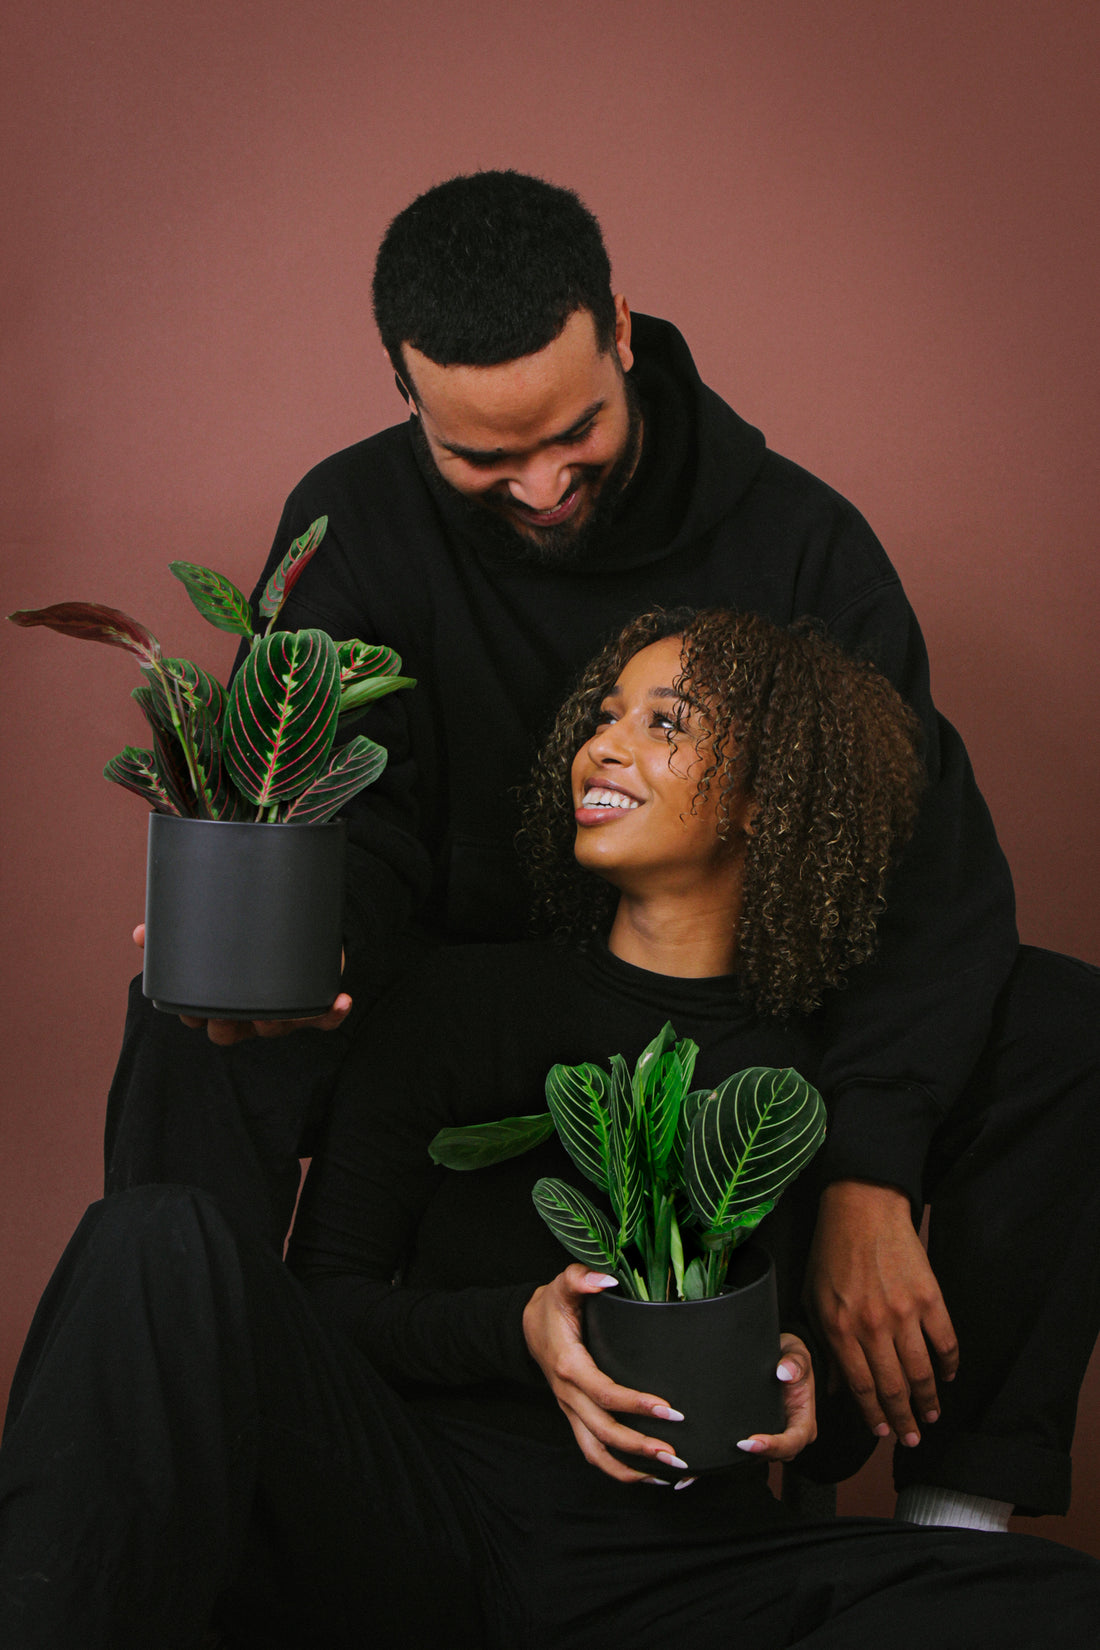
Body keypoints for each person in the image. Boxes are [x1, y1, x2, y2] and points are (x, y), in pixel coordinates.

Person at [102, 168, 1100, 1527]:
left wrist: (874, 1163)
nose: (544, 483)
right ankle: (183, 1464)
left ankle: (955, 1533)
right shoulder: (359, 523)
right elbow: (345, 810)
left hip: (731, 1001)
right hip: (451, 988)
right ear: (407, 394)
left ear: (622, 330)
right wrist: (300, 944)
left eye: (574, 431)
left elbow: (920, 875)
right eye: (483, 458)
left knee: (1055, 1021)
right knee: (193, 1005)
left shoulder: (801, 541)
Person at [5, 611, 1099, 1647]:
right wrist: (516, 1330)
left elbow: (817, 1391)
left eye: (661, 724)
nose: (602, 747)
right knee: (153, 1236)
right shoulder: (460, 1003)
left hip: (677, 1574)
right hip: (417, 1523)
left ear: (772, 799)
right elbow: (327, 1299)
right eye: (602, 717)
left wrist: (790, 1383)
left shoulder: (812, 1080)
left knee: (1054, 1609)